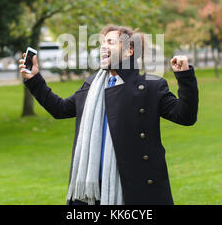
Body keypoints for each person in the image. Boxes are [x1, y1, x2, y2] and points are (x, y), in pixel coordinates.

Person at [19, 24, 199, 205]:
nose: (103, 46)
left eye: (111, 42)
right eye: (102, 43)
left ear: (130, 51)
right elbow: (60, 109)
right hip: (91, 192)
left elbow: (185, 116)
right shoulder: (92, 85)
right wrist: (35, 79)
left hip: (133, 190)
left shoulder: (151, 85)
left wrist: (185, 77)